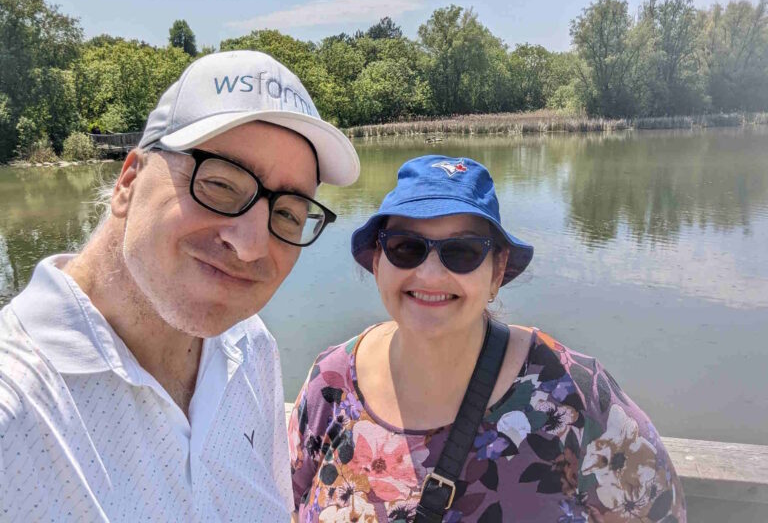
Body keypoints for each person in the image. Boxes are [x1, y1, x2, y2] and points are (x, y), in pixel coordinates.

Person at [0, 50, 359, 522]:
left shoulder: (251, 351)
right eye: (221, 184)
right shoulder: (16, 410)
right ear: (128, 181)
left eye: (288, 213)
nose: (251, 245)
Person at [288, 155, 686, 522]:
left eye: (461, 252)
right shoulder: (331, 383)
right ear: (378, 262)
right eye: (406, 247)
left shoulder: (571, 390)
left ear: (497, 274)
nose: (428, 275)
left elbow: (659, 511)